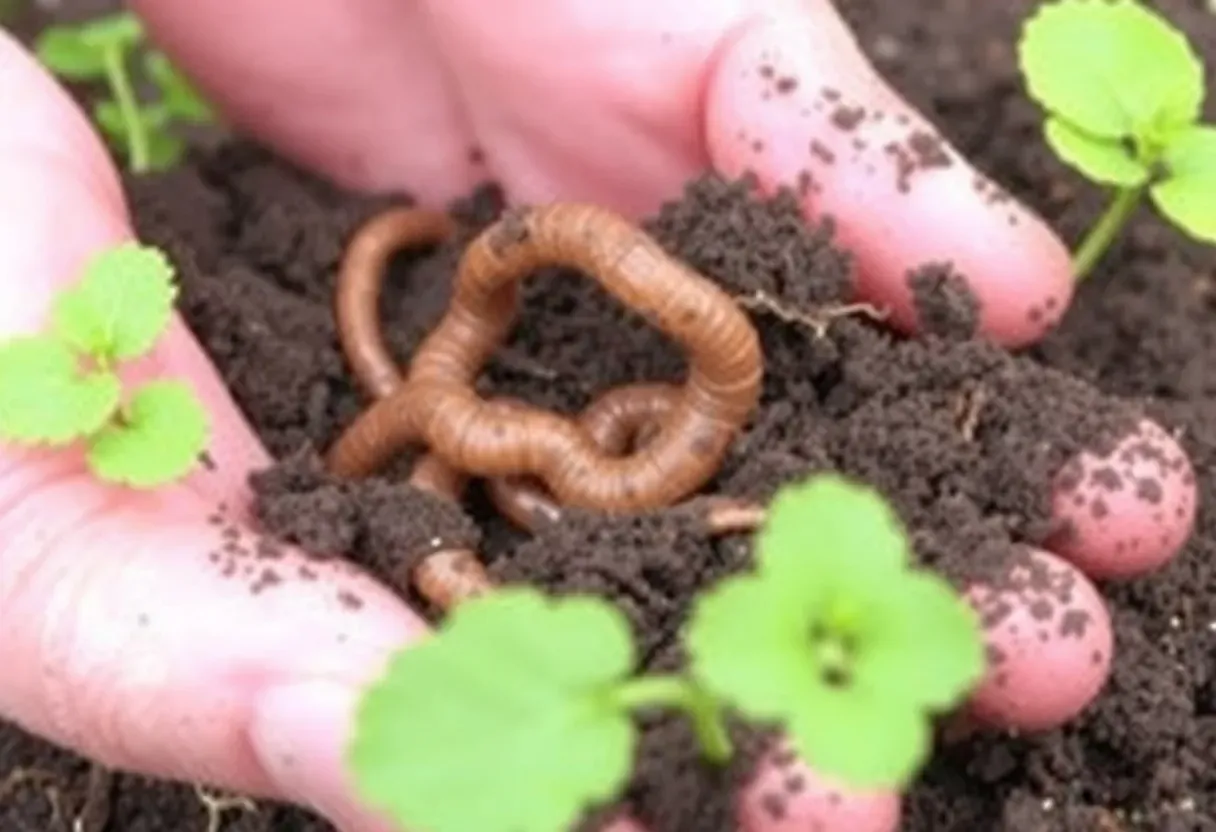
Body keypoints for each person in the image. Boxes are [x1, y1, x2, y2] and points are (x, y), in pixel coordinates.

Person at [0, 1, 1195, 830]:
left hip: (593, 440)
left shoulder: (584, 417)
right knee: (444, 415)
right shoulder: (478, 429)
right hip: (537, 447)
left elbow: (642, 387)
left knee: (486, 409)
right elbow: (457, 417)